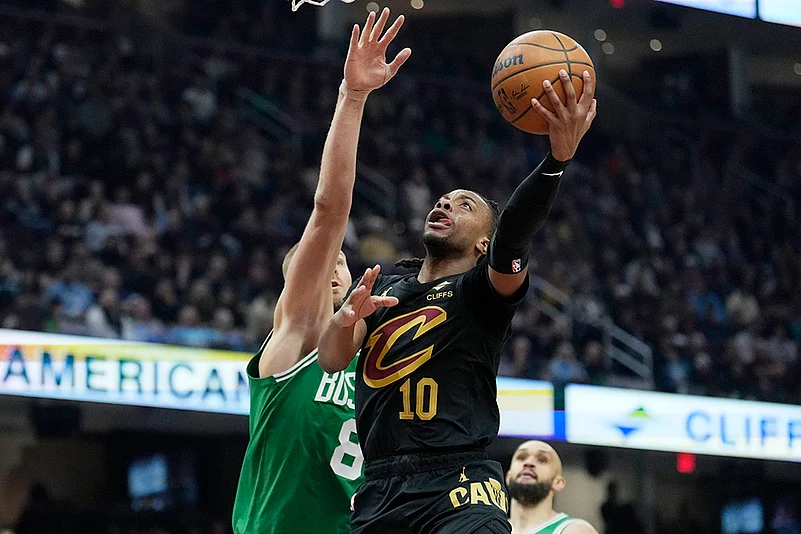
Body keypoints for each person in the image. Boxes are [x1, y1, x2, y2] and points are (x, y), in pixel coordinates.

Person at [318, 10, 597, 532]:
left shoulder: (482, 293)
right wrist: (343, 319)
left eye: (464, 204)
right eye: (443, 199)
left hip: (460, 485)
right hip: (380, 489)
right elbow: (332, 360)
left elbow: (515, 232)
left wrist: (555, 162)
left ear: (484, 244)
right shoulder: (386, 289)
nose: (445, 203)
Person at [231, 10, 409, 534]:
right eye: (321, 262)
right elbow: (330, 211)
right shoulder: (297, 336)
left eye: (342, 262)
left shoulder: (372, 366)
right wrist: (352, 97)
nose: (334, 266)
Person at [506, 440, 598, 534]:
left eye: (541, 460)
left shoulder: (576, 530)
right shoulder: (497, 529)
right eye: (521, 458)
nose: (529, 463)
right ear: (508, 477)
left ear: (558, 483)